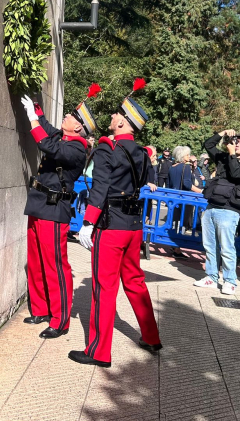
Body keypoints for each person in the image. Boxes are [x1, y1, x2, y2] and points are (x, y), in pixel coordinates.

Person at [69, 83, 161, 367]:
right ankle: (151, 337)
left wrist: (87, 222)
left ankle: (98, 352)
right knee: (135, 282)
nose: (111, 116)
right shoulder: (143, 154)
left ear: (122, 121)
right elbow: (146, 180)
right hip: (135, 227)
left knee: (104, 287)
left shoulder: (108, 149)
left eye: (116, 113)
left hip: (111, 227)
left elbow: (101, 187)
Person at [20, 91, 92, 338]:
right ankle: (41, 309)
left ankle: (60, 320)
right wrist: (38, 111)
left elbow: (47, 144)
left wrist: (32, 120)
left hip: (54, 208)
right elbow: (50, 130)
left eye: (71, 117)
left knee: (55, 266)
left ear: (79, 127)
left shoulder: (77, 150)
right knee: (37, 261)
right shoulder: (65, 138)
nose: (67, 117)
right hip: (39, 202)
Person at [193, 129, 240, 295]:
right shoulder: (223, 157)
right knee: (209, 246)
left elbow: (236, 174)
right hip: (212, 206)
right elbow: (208, 144)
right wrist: (222, 134)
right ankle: (211, 277)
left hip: (230, 210)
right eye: (235, 141)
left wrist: (231, 155)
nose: (236, 144)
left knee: (227, 248)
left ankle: (230, 281)